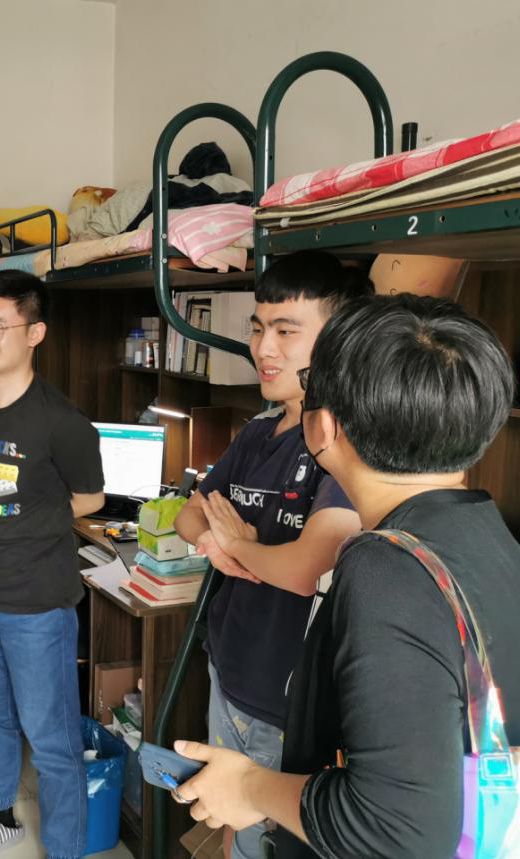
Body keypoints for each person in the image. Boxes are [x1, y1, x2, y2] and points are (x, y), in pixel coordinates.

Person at [174, 294, 520, 857]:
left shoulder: (386, 568)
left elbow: (392, 828)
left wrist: (249, 787)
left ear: (323, 427)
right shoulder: (482, 529)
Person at [172, 251, 369, 858]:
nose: (264, 348)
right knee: (231, 823)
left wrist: (239, 544)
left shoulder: (342, 441)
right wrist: (220, 543)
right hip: (229, 667)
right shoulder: (258, 432)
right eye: (259, 329)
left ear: (336, 341)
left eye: (286, 331)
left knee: (268, 840)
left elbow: (309, 568)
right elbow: (188, 513)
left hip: (284, 697)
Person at [0, 271, 105, 859]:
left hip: (37, 602)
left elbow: (90, 498)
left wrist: (33, 516)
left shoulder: (62, 421)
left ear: (35, 333)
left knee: (51, 735)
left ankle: (65, 848)